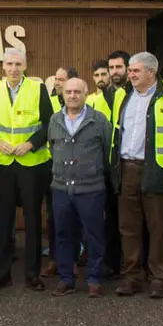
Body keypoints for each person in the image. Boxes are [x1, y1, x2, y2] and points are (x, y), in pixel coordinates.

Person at [110, 52, 163, 299]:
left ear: (151, 72)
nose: (131, 74)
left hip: (157, 169)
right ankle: (132, 276)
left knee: (158, 227)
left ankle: (158, 278)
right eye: (131, 70)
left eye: (136, 71)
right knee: (128, 227)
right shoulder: (122, 95)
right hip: (127, 169)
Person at [0, 48, 53, 292]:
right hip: (2, 164)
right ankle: (3, 273)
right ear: (3, 67)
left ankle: (32, 274)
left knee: (33, 220)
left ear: (25, 66)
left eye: (18, 64)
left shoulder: (38, 89)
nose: (13, 69)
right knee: (3, 220)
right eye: (10, 64)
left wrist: (31, 144)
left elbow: (48, 124)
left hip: (31, 164)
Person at [49, 78, 112, 298]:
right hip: (61, 189)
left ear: (86, 94)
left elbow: (106, 152)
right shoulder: (55, 120)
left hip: (91, 189)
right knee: (64, 235)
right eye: (68, 91)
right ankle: (66, 278)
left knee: (94, 235)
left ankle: (94, 279)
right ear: (63, 94)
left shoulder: (99, 120)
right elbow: (52, 147)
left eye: (77, 91)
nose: (73, 95)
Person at [85, 58, 121, 279]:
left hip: (115, 167)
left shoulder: (120, 96)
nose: (100, 78)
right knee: (97, 217)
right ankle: (99, 260)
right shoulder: (89, 100)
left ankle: (115, 262)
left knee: (116, 217)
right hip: (96, 166)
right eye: (96, 75)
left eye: (103, 74)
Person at [42, 65, 79, 277]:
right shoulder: (50, 103)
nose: (56, 82)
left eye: (61, 79)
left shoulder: (83, 104)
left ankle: (73, 258)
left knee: (74, 217)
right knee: (54, 216)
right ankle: (56, 259)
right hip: (53, 167)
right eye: (55, 79)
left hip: (75, 170)